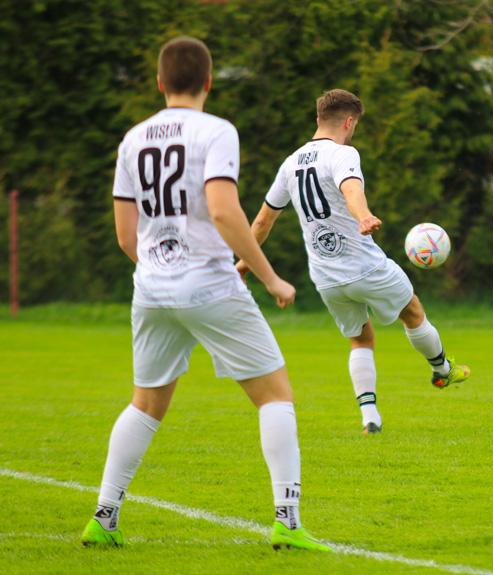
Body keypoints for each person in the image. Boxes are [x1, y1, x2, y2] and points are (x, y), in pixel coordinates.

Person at [81, 37, 331, 551]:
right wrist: (270, 277)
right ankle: (288, 520)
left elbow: (126, 237)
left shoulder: (132, 140)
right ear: (209, 82)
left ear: (159, 83)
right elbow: (221, 209)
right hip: (210, 284)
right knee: (275, 394)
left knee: (145, 404)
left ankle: (103, 518)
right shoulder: (217, 132)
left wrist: (161, 269)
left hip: (150, 289)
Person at [237, 89, 470, 435]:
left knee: (360, 340)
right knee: (414, 313)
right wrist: (363, 216)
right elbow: (351, 189)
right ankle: (441, 370)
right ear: (349, 122)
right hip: (366, 266)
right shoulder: (342, 154)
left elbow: (261, 222)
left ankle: (370, 416)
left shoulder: (290, 163)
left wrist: (242, 265)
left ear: (318, 120)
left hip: (326, 277)